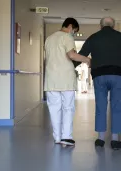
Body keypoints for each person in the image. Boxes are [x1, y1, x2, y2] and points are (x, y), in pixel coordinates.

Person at [78, 17, 121, 150]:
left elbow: (82, 54)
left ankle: (100, 139)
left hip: (99, 75)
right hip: (117, 74)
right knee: (117, 107)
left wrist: (70, 66)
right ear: (114, 25)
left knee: (101, 106)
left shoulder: (94, 37)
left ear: (100, 26)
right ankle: (115, 140)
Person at [44, 18, 90, 146]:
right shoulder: (67, 37)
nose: (73, 33)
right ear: (70, 26)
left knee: (54, 108)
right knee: (68, 108)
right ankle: (66, 137)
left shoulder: (49, 38)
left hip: (51, 79)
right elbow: (72, 55)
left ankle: (57, 137)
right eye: (74, 31)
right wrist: (87, 59)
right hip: (65, 78)